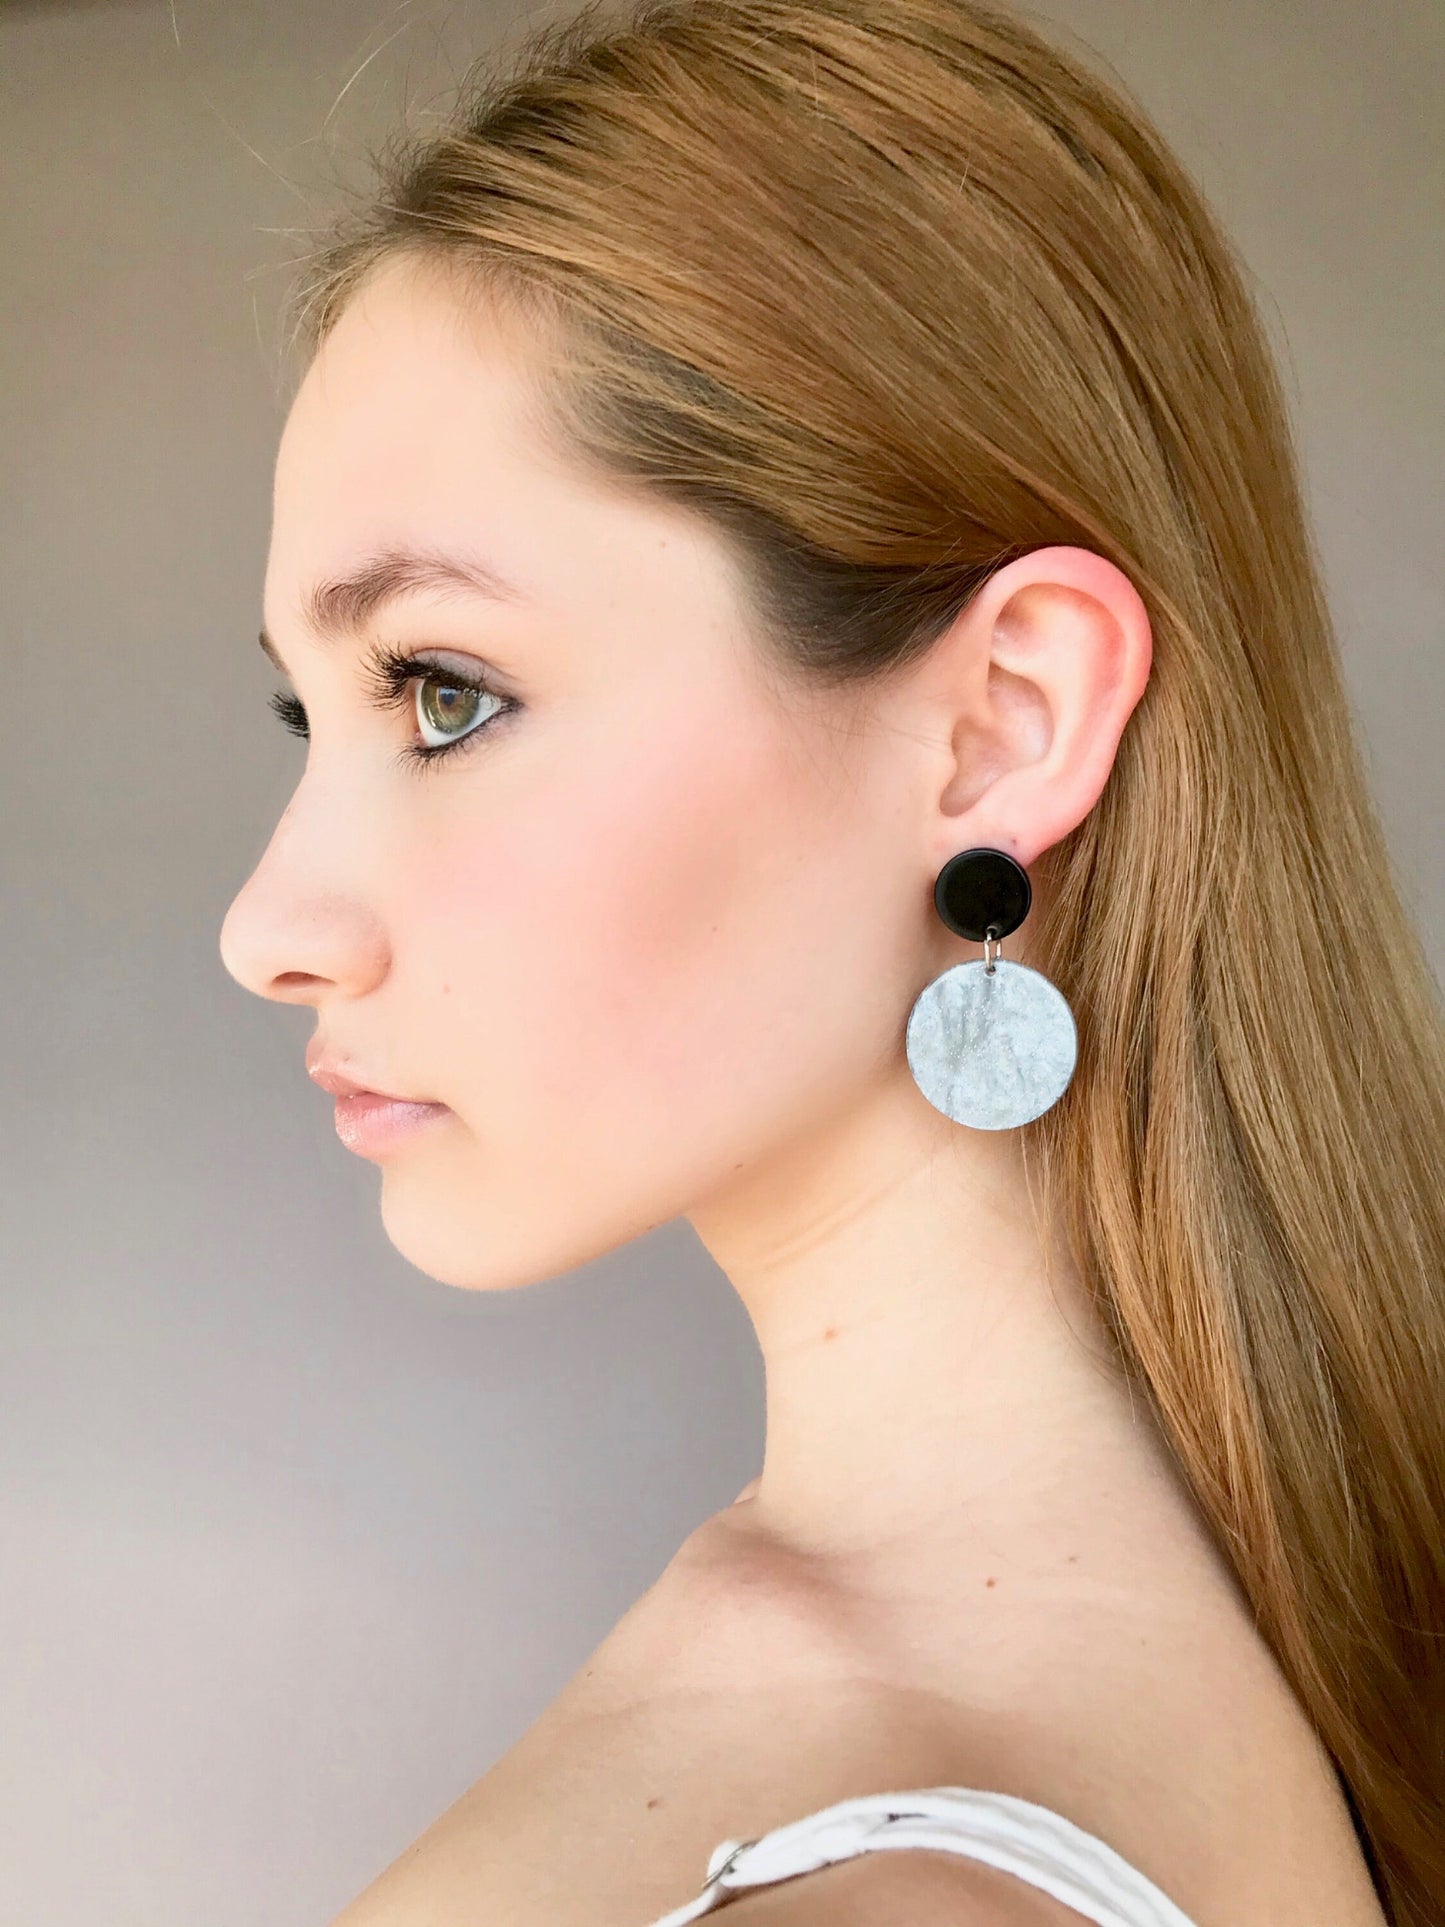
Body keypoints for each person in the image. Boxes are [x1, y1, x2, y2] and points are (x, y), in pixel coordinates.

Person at [217, 2, 1444, 1922]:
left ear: (1002, 724)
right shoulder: (1235, 1652)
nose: (269, 928)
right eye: (314, 718)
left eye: (444, 693)